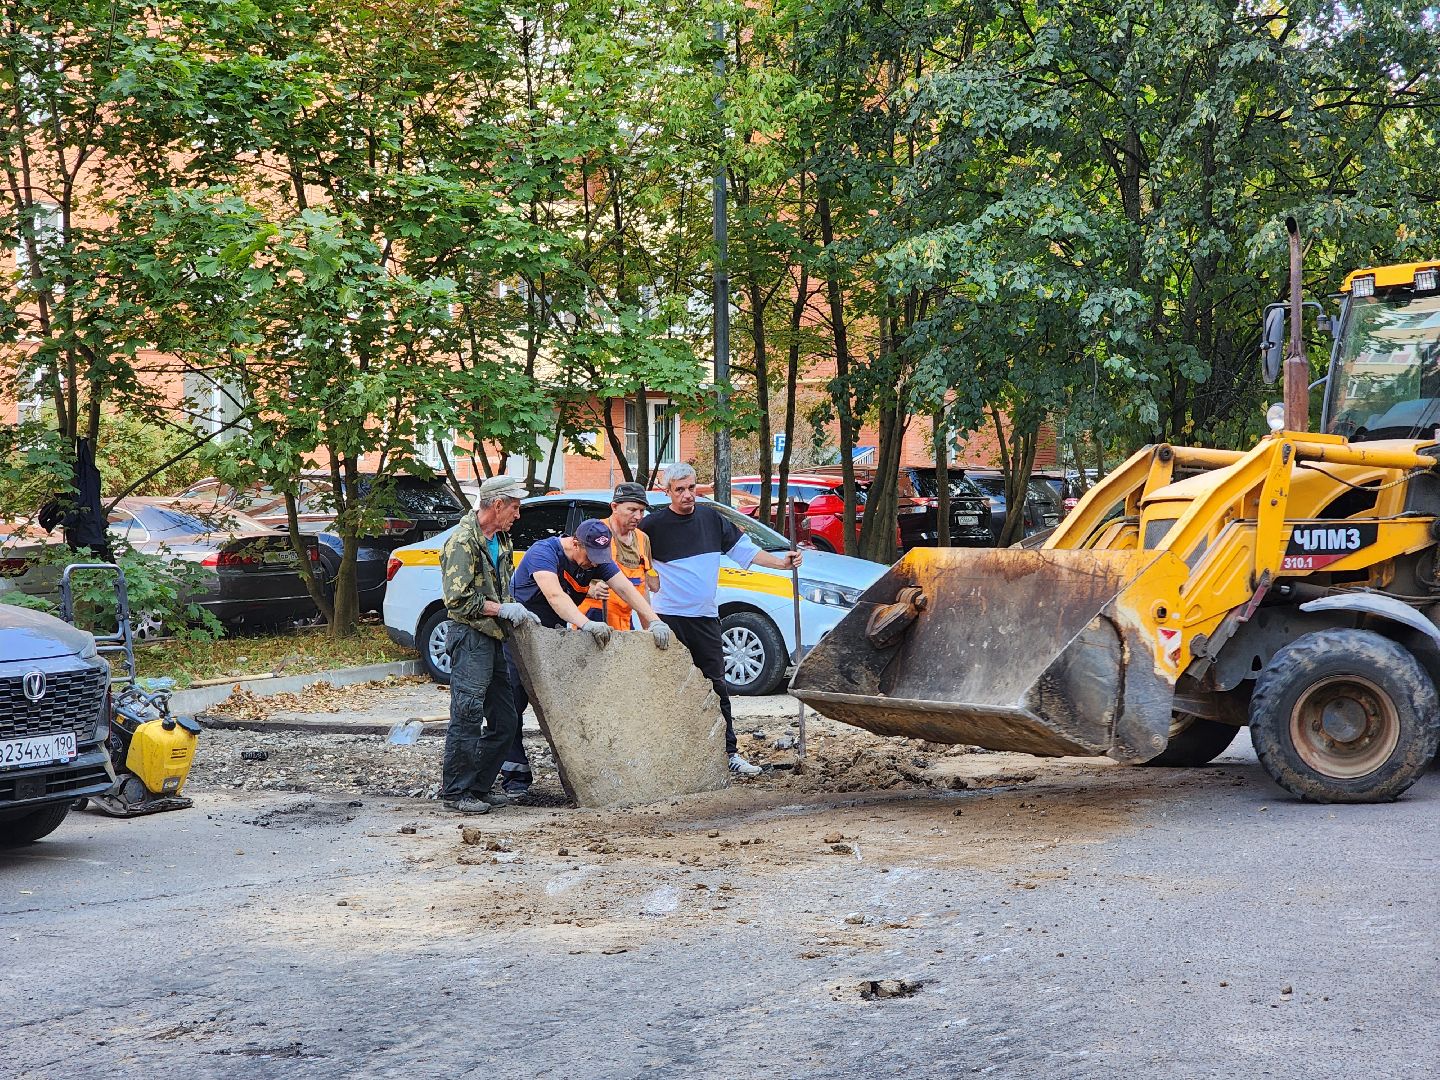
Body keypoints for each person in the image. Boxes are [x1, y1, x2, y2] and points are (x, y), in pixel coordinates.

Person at [641, 463, 802, 777]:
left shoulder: (711, 519)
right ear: (667, 491)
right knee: (667, 687)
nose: (687, 495)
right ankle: (667, 757)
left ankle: (728, 753)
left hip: (704, 617)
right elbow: (632, 561)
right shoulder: (652, 526)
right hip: (668, 619)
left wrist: (782, 563)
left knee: (717, 686)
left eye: (691, 488)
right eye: (679, 490)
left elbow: (746, 552)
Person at [500, 518, 674, 793]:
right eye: (590, 556)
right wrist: (586, 624)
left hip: (553, 636)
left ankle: (577, 775)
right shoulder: (543, 553)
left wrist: (654, 621)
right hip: (518, 635)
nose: (594, 563)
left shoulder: (595, 558)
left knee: (561, 704)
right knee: (512, 704)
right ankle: (514, 776)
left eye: (599, 558)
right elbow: (555, 596)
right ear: (575, 543)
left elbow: (625, 588)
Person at [438, 475, 540, 815]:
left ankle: (478, 787)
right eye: (515, 507)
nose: (518, 515)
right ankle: (456, 792)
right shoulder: (462, 541)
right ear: (497, 505)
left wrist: (516, 610)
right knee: (467, 715)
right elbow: (457, 600)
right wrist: (502, 609)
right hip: (470, 636)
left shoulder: (501, 539)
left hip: (495, 637)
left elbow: (503, 588)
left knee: (506, 720)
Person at [579, 482, 660, 630]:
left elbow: (643, 589)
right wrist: (591, 589)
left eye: (642, 511)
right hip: (592, 621)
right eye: (632, 510)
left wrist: (650, 628)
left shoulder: (642, 539)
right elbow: (570, 579)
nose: (638, 516)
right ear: (614, 507)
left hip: (624, 622)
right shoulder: (594, 533)